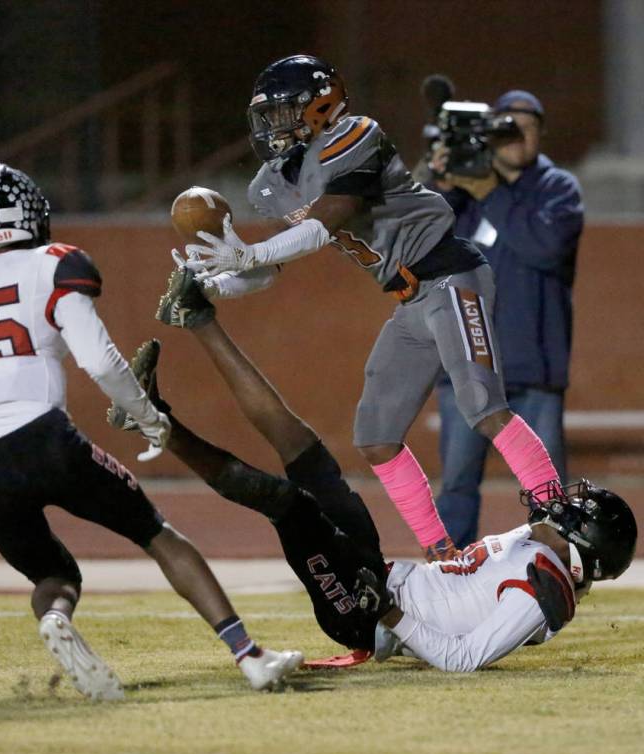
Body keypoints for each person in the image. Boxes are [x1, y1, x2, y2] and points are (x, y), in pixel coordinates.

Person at [0, 163, 303, 699]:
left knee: (54, 576)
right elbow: (104, 363)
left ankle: (55, 619)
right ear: (29, 217)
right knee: (157, 534)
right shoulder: (52, 264)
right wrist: (149, 417)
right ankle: (249, 656)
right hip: (42, 437)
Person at [106, 266, 637, 672]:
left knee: (290, 505)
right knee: (306, 451)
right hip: (379, 575)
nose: (554, 500)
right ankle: (197, 317)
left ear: (581, 539)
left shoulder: (545, 589)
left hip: (365, 611)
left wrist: (386, 613)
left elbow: (460, 658)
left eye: (569, 507)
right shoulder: (543, 550)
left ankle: (156, 422)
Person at [182, 54, 563, 564]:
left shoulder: (355, 133)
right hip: (408, 298)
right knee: (376, 436)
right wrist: (218, 285)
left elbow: (325, 222)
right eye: (267, 115)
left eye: (283, 111)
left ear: (320, 106)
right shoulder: (271, 184)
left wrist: (250, 252)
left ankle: (563, 517)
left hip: (449, 273)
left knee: (482, 406)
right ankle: (441, 552)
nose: (273, 126)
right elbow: (272, 266)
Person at [426, 90, 584, 548]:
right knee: (456, 486)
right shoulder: (461, 194)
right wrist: (437, 179)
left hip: (534, 374)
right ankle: (450, 580)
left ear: (541, 133)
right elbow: (419, 242)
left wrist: (490, 192)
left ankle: (556, 575)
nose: (516, 136)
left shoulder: (557, 189)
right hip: (467, 369)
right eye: (506, 126)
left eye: (527, 127)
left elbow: (545, 247)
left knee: (548, 493)